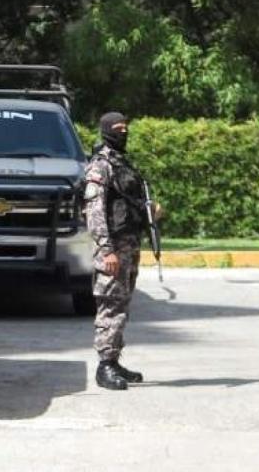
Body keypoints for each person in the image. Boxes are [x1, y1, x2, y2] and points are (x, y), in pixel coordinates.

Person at [82, 112, 161, 391]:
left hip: (129, 245)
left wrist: (148, 211)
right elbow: (94, 212)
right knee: (110, 304)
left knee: (122, 305)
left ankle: (114, 361)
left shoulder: (122, 163)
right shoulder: (100, 166)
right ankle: (104, 366)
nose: (124, 131)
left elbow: (127, 201)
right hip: (113, 247)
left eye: (126, 127)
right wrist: (107, 250)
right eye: (118, 128)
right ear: (106, 130)